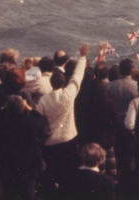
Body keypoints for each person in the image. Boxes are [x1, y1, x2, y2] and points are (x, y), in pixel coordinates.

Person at [36, 43, 88, 196]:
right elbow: (78, 76)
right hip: (68, 139)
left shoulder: (44, 100)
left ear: (51, 83)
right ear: (64, 82)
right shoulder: (68, 94)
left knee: (52, 177)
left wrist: (26, 107)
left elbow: (37, 117)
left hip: (50, 144)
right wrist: (83, 57)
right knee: (69, 175)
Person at [0, 95, 45, 200]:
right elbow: (42, 122)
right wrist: (29, 108)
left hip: (8, 166)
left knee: (8, 195)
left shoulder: (1, 122)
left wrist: (4, 108)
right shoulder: (31, 122)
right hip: (28, 166)